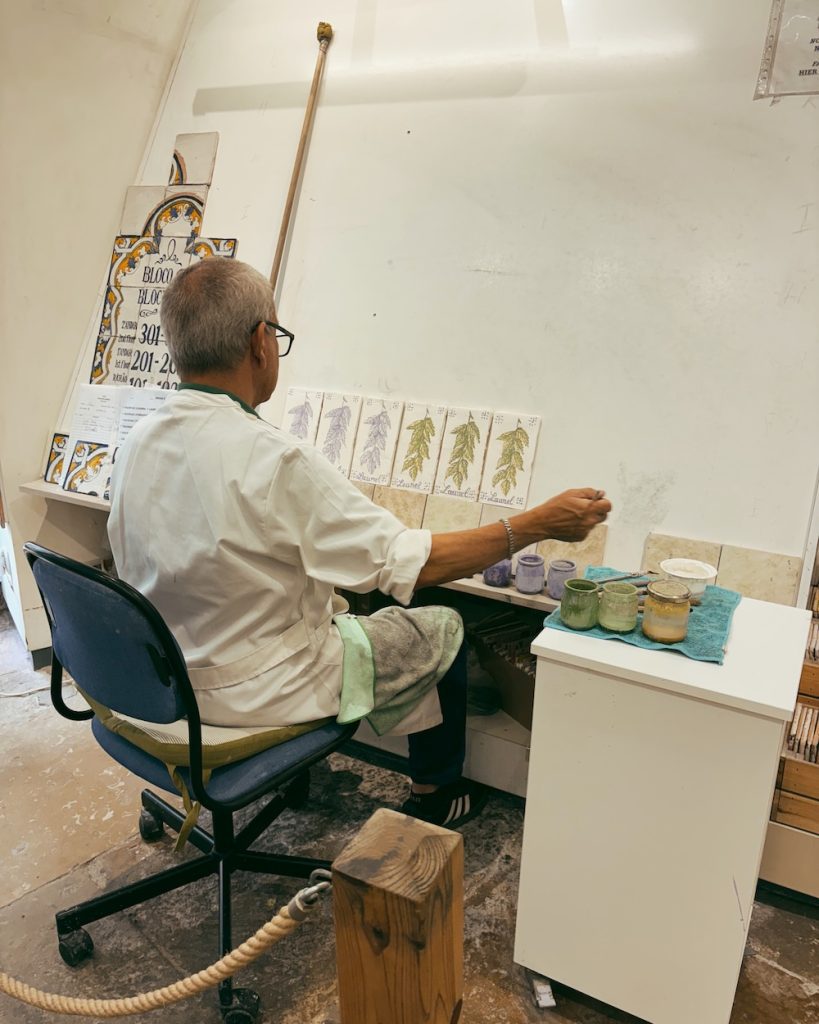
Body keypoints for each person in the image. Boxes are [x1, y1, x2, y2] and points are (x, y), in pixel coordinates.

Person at [107, 258, 611, 828]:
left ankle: (294, 772)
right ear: (260, 343)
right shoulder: (273, 460)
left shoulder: (137, 442)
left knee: (326, 606)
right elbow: (417, 566)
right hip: (248, 694)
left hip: (158, 683)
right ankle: (436, 793)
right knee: (438, 624)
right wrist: (537, 523)